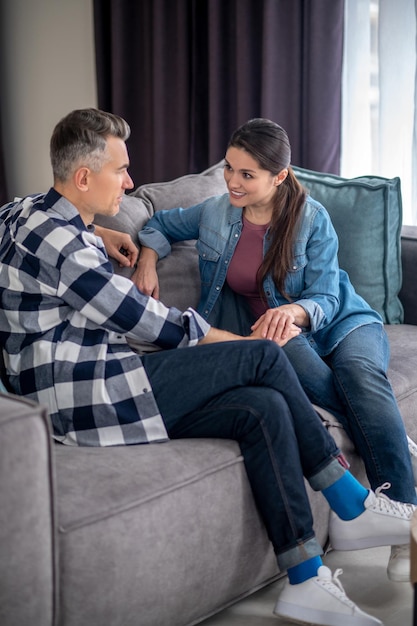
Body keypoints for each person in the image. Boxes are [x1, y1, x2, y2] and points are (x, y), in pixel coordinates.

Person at [0, 109, 413, 626]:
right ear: (83, 177)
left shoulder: (26, 214)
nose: (130, 183)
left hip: (92, 379)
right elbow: (147, 322)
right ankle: (350, 502)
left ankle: (305, 578)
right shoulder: (66, 247)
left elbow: (24, 216)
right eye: (121, 171)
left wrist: (99, 233)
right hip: (87, 393)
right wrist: (233, 342)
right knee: (262, 356)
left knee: (258, 409)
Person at [134, 117, 417, 584]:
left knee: (360, 377)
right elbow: (158, 223)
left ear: (279, 177)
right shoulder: (216, 212)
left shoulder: (311, 218)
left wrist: (292, 313)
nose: (232, 182)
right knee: (313, 374)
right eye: (229, 168)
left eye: (247, 174)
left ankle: (405, 519)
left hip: (341, 322)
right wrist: (147, 259)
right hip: (282, 339)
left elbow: (327, 298)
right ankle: (391, 439)